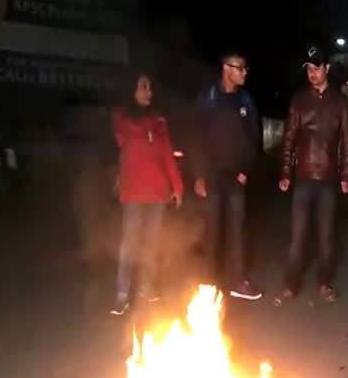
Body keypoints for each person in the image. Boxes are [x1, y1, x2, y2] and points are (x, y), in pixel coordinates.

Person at [275, 45, 348, 303]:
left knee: (326, 238)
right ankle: (290, 285)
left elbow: (347, 141)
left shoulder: (339, 102)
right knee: (297, 237)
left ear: (327, 68)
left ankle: (324, 283)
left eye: (316, 67)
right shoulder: (299, 100)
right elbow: (289, 137)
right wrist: (285, 171)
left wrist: (347, 174)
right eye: (308, 68)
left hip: (329, 180)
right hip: (303, 179)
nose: (312, 73)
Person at [111, 71, 184, 315]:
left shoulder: (159, 122)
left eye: (150, 88)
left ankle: (147, 287)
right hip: (133, 193)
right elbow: (127, 133)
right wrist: (148, 130)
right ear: (132, 91)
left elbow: (167, 156)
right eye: (143, 87)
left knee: (152, 243)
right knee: (129, 244)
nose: (149, 92)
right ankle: (122, 294)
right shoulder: (121, 116)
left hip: (157, 194)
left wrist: (177, 187)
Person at [194, 49, 263, 300]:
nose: (245, 72)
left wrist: (245, 169)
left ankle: (238, 280)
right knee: (211, 230)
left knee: (237, 229)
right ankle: (208, 283)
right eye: (240, 67)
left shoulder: (246, 101)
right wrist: (199, 175)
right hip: (212, 176)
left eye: (245, 68)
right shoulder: (209, 98)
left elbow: (254, 138)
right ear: (226, 68)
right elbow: (197, 137)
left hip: (236, 178)